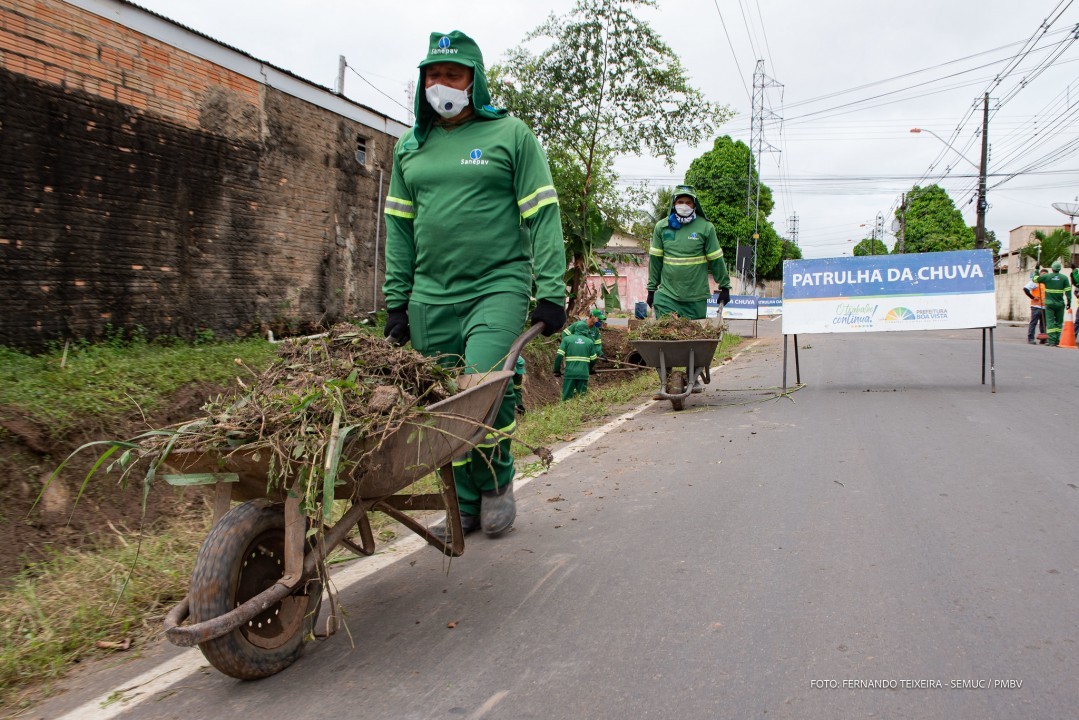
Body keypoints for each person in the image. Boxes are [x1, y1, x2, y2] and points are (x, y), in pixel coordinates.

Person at [382, 30, 567, 541]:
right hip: (429, 295)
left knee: (484, 385)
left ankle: (495, 484)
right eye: (432, 75)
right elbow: (398, 228)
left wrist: (552, 290)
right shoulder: (410, 147)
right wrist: (396, 302)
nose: (441, 84)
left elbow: (542, 215)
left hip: (497, 284)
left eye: (453, 74)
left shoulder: (511, 135)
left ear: (475, 80)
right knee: (443, 401)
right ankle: (463, 501)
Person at [646, 185, 731, 320]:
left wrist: (725, 287)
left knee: (694, 336)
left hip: (696, 297)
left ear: (694, 205)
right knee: (665, 334)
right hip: (667, 295)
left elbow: (716, 259)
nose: (684, 205)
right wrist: (651, 289)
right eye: (680, 202)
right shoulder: (662, 227)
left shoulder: (706, 227)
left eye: (688, 202)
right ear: (674, 204)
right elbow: (655, 262)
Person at [1034, 260, 1071, 346]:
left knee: (1050, 322)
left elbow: (1035, 279)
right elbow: (1068, 292)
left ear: (1052, 268)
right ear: (1059, 269)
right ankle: (1057, 340)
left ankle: (1051, 341)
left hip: (1049, 303)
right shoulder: (1064, 278)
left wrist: (1037, 269)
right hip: (1060, 304)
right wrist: (1069, 302)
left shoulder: (1047, 276)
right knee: (1058, 322)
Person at [553, 331, 597, 401]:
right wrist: (589, 369)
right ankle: (581, 410)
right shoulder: (589, 342)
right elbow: (594, 359)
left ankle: (565, 409)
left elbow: (559, 356)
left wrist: (556, 370)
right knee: (582, 397)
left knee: (566, 398)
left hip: (570, 373)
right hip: (583, 374)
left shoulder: (567, 339)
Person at [1023, 269, 1046, 345]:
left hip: (1045, 307)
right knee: (1033, 323)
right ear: (1040, 275)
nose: (1044, 276)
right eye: (1043, 274)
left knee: (1044, 324)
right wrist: (1033, 297)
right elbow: (1025, 289)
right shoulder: (1035, 282)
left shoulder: (1047, 283)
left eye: (1046, 275)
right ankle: (1031, 338)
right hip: (1036, 306)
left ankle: (1043, 338)